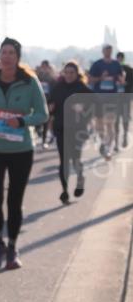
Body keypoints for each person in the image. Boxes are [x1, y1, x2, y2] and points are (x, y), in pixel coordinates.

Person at [0, 37, 48, 270]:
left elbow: (43, 114)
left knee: (14, 201)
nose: (6, 57)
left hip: (21, 150)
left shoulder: (30, 82)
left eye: (11, 53)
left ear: (17, 57)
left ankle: (13, 247)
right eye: (3, 52)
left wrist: (22, 121)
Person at [47, 61, 91, 204]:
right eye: (66, 72)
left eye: (72, 73)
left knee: (75, 158)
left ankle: (80, 179)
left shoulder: (82, 89)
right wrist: (50, 108)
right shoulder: (57, 87)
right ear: (63, 73)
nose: (69, 75)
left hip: (78, 129)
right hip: (61, 128)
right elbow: (49, 104)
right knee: (64, 160)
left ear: (77, 74)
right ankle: (64, 191)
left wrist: (83, 108)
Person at [88, 44, 126, 158]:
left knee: (110, 123)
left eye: (110, 50)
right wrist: (101, 78)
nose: (108, 52)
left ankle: (108, 148)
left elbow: (121, 79)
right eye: (106, 50)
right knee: (99, 123)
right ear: (103, 51)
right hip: (99, 98)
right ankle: (103, 142)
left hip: (112, 98)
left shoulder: (116, 64)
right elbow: (90, 80)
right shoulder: (97, 64)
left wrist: (121, 79)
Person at [118, 51, 132, 149]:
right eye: (118, 58)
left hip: (125, 98)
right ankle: (115, 140)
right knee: (115, 120)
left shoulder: (128, 69)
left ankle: (125, 136)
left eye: (121, 58)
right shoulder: (113, 69)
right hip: (115, 98)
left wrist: (126, 84)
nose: (120, 60)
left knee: (125, 118)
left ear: (123, 59)